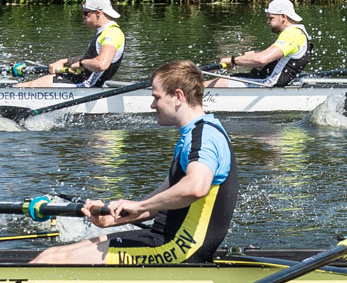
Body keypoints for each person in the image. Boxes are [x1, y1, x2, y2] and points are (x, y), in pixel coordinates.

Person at [35, 62, 239, 264]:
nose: (152, 105)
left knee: (53, 260)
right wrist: (114, 218)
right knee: (51, 254)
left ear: (178, 97)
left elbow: (196, 187)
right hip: (165, 240)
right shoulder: (194, 134)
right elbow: (164, 198)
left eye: (156, 97)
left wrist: (138, 205)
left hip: (180, 249)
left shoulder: (205, 136)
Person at [220, 0, 312, 87]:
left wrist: (233, 60)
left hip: (268, 82)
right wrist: (238, 58)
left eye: (271, 18)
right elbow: (263, 54)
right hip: (265, 79)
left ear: (283, 16)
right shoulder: (294, 32)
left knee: (219, 82)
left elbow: (262, 59)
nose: (267, 22)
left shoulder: (292, 35)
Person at [37, 0, 126, 85]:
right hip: (80, 80)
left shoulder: (112, 33)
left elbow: (101, 64)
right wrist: (64, 61)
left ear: (98, 13)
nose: (83, 16)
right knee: (31, 84)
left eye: (86, 13)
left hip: (86, 85)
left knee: (36, 84)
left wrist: (81, 64)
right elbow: (90, 58)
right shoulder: (105, 32)